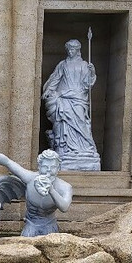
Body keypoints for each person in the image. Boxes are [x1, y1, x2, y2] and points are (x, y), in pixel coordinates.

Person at [42, 38, 100, 171]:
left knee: (80, 121)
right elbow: (56, 79)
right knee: (64, 122)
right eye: (68, 49)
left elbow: (87, 84)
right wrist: (49, 90)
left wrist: (92, 72)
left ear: (78, 50)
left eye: (72, 49)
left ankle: (85, 148)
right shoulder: (63, 64)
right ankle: (65, 149)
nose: (70, 51)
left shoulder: (84, 65)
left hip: (78, 97)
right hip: (63, 96)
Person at [0, 148, 73, 236]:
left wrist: (51, 190)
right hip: (31, 224)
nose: (49, 170)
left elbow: (64, 208)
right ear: (39, 167)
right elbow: (7, 162)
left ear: (58, 168)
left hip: (49, 225)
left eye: (53, 167)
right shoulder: (30, 178)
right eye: (45, 167)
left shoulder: (65, 187)